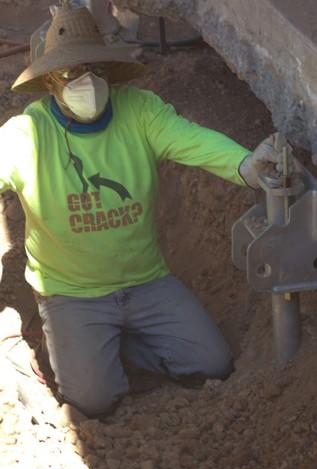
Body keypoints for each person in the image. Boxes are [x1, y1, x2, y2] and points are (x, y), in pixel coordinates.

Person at [1, 1, 289, 417]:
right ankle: (65, 343)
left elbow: (193, 141)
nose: (86, 81)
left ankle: (105, 348)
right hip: (71, 293)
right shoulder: (28, 134)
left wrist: (246, 165)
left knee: (212, 364)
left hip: (147, 282)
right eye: (70, 73)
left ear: (109, 70)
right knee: (94, 401)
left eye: (95, 69)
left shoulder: (140, 111)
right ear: (49, 82)